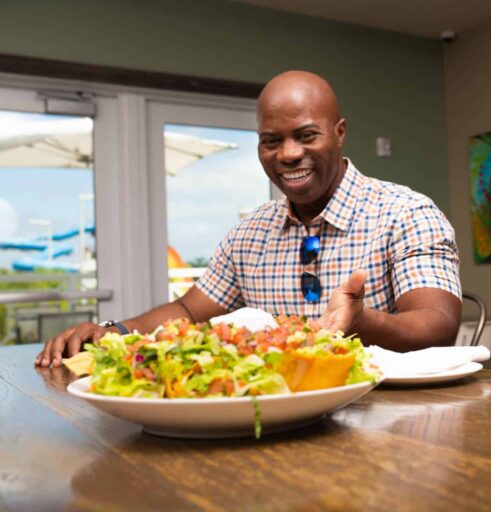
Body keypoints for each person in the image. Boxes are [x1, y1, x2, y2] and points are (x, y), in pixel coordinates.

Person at [36, 70, 462, 367]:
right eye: (271, 141)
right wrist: (114, 331)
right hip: (273, 424)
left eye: (306, 135)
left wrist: (365, 322)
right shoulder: (249, 232)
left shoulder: (407, 213)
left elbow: (437, 324)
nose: (288, 154)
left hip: (387, 427)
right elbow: (188, 309)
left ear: (340, 132)